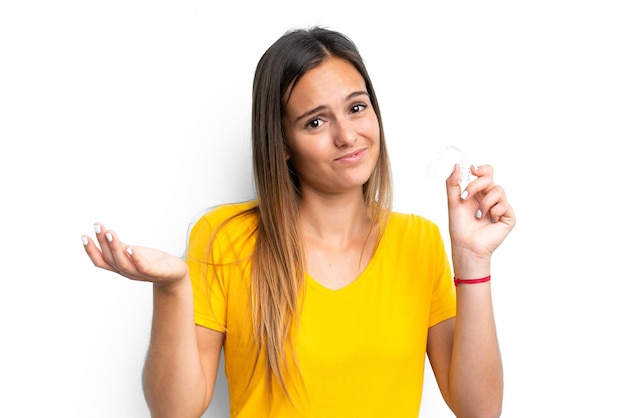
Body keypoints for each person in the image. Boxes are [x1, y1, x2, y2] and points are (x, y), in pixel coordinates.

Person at [82, 27, 515, 418]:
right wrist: (173, 287)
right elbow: (174, 411)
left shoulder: (418, 241)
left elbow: (478, 410)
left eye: (357, 108)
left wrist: (473, 261)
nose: (347, 135)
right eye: (316, 121)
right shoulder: (226, 239)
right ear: (282, 143)